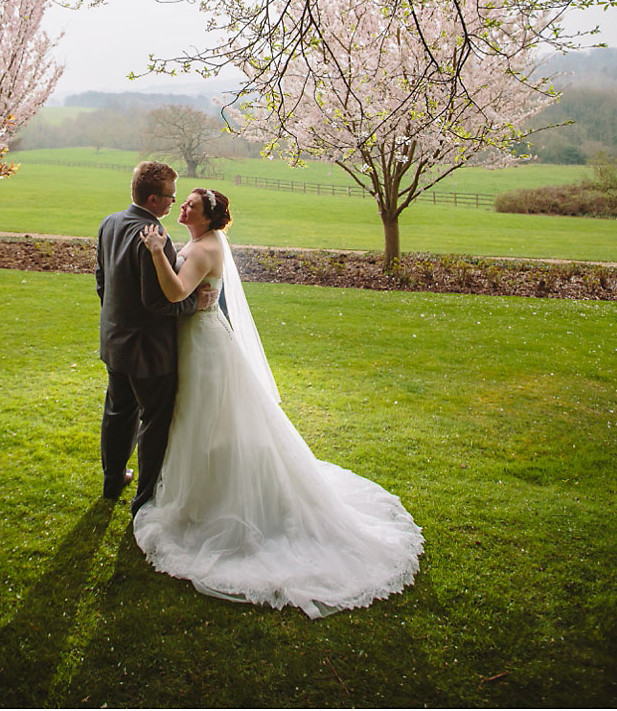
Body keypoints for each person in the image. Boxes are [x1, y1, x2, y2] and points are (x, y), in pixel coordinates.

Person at [134, 187, 424, 618]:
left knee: (208, 418)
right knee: (202, 420)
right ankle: (203, 488)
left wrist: (158, 252)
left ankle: (216, 502)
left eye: (189, 204)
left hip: (204, 346)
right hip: (200, 338)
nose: (182, 207)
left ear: (206, 216)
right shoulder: (203, 242)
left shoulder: (204, 247)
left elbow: (177, 293)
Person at [95, 161, 212, 516]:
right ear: (152, 198)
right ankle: (144, 499)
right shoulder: (152, 235)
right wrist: (195, 303)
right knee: (154, 421)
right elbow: (159, 301)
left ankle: (112, 482)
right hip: (148, 350)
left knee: (118, 412)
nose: (174, 204)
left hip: (115, 340)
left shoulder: (110, 222)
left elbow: (101, 280)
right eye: (170, 197)